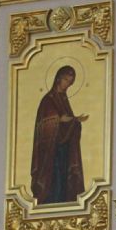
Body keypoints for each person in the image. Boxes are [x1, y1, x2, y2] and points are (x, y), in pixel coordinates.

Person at [30, 65, 87, 204]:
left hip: (64, 148)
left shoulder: (63, 99)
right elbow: (42, 125)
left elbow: (67, 121)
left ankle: (63, 201)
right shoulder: (48, 100)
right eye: (66, 80)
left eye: (70, 82)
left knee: (63, 176)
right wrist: (59, 120)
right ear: (58, 79)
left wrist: (75, 121)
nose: (68, 84)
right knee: (55, 177)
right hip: (50, 151)